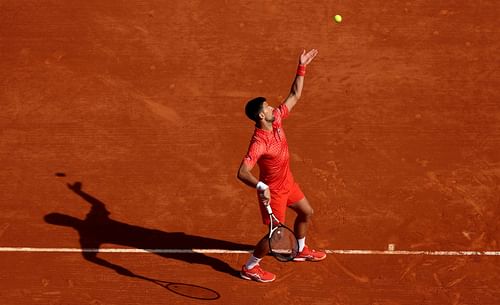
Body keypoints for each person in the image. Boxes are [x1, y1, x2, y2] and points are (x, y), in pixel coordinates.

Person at [237, 49, 326, 283]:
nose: (271, 108)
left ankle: (300, 249)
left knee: (306, 212)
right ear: (260, 116)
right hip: (274, 191)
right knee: (274, 237)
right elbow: (242, 172)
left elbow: (295, 95)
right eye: (266, 108)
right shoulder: (258, 144)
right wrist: (260, 186)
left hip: (288, 182)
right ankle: (250, 267)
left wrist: (302, 67)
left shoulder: (276, 119)